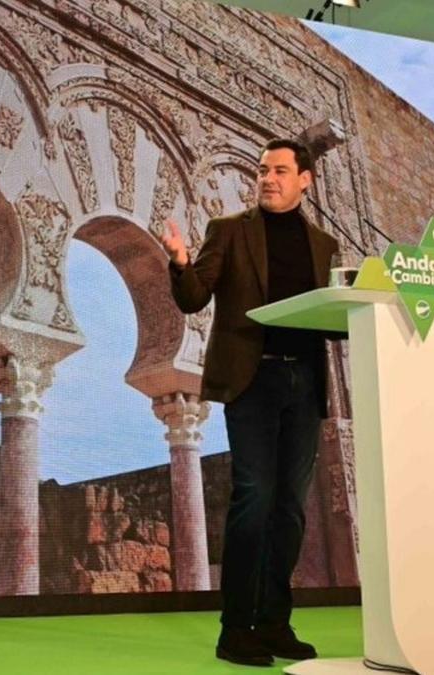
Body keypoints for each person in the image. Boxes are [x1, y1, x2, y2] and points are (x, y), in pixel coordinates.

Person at [163, 139, 341, 667]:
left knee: (289, 509)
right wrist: (179, 262)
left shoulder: (325, 245)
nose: (267, 178)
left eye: (280, 171)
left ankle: (275, 624)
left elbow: (334, 320)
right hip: (252, 383)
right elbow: (194, 296)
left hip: (305, 384)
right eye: (263, 170)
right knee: (254, 500)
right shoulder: (230, 231)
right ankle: (236, 629)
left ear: (304, 179)